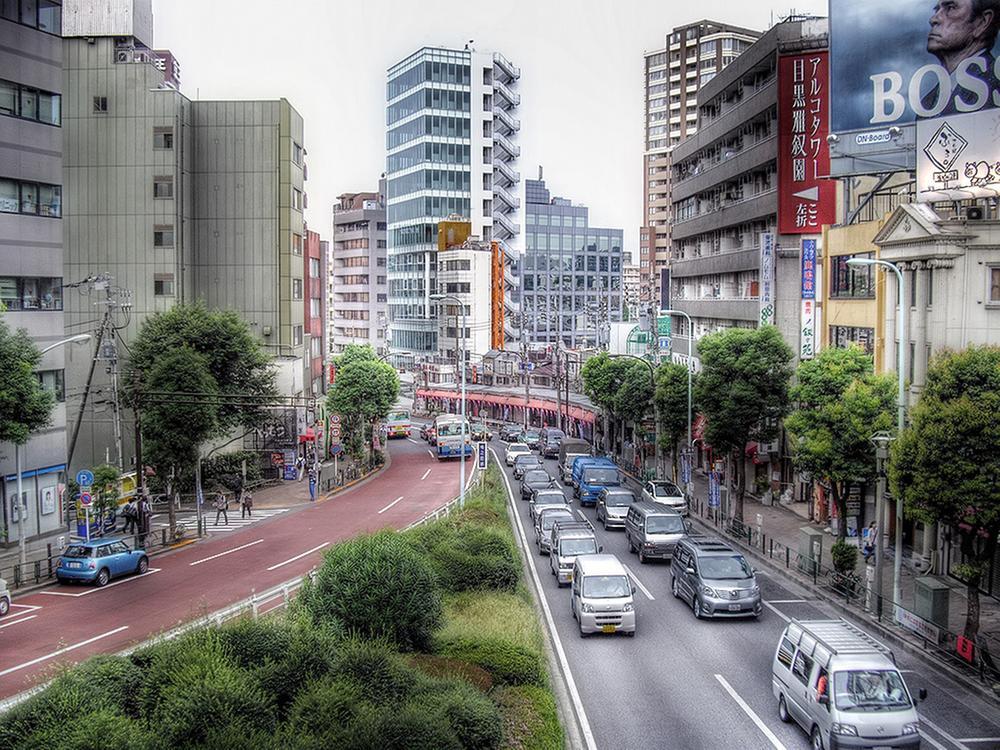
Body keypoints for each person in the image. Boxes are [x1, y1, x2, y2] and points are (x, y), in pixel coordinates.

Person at [923, 0, 1000, 114]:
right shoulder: (927, 102)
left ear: (982, 22)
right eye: (936, 10)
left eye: (951, 8)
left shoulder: (995, 85)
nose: (933, 19)